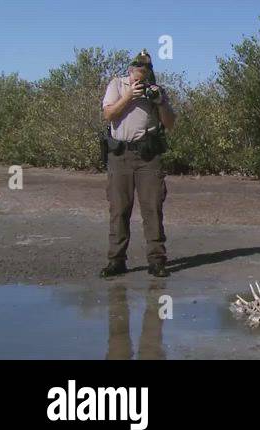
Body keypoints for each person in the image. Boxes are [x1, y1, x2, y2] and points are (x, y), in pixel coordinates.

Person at [100, 50, 176, 278]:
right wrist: (129, 96)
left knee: (152, 208)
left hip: (148, 156)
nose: (139, 77)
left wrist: (160, 102)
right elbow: (109, 115)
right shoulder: (117, 85)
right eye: (137, 72)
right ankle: (116, 261)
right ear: (130, 70)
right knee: (119, 209)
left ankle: (157, 260)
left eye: (145, 72)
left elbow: (170, 123)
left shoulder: (157, 91)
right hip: (120, 155)